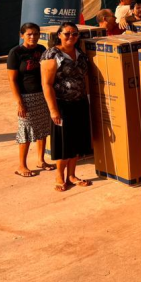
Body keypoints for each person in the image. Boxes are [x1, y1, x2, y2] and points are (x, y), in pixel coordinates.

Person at [40, 22, 93, 192]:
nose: (71, 37)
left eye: (75, 34)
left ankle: (72, 175)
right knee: (64, 143)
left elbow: (84, 77)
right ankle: (59, 176)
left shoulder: (80, 53)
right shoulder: (52, 54)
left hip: (80, 103)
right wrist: (53, 110)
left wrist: (88, 98)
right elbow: (46, 84)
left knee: (76, 142)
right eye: (67, 33)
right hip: (62, 104)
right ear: (59, 35)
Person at [8, 23, 53, 178]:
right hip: (26, 97)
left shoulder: (41, 49)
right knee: (25, 130)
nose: (33, 37)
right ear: (22, 35)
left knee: (43, 127)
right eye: (29, 34)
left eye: (35, 34)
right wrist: (19, 102)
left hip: (43, 94)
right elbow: (12, 80)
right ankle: (21, 165)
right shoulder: (15, 52)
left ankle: (41, 160)